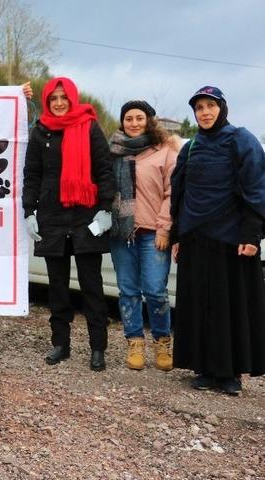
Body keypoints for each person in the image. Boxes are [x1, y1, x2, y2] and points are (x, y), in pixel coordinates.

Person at [170, 86, 265, 395]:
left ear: (222, 108)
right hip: (195, 237)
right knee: (199, 304)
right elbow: (180, 193)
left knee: (230, 306)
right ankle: (204, 369)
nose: (205, 112)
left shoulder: (241, 140)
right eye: (199, 108)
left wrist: (252, 233)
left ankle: (230, 373)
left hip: (232, 239)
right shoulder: (192, 146)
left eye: (210, 106)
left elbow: (256, 187)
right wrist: (177, 236)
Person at [22, 77, 114, 371]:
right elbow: (32, 174)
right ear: (48, 102)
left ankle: (97, 348)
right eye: (53, 99)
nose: (59, 103)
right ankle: (60, 344)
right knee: (58, 288)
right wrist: (29, 210)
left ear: (72, 99)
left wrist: (106, 208)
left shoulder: (89, 127)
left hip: (86, 215)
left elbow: (104, 169)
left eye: (64, 97)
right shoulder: (40, 132)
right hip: (52, 217)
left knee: (92, 286)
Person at [108, 100, 179, 371]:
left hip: (153, 234)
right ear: (122, 122)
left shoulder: (165, 152)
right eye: (129, 118)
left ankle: (162, 341)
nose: (134, 123)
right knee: (127, 290)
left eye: (139, 118)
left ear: (149, 120)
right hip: (122, 233)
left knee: (155, 290)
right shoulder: (114, 150)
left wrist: (164, 228)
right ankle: (135, 342)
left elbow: (171, 193)